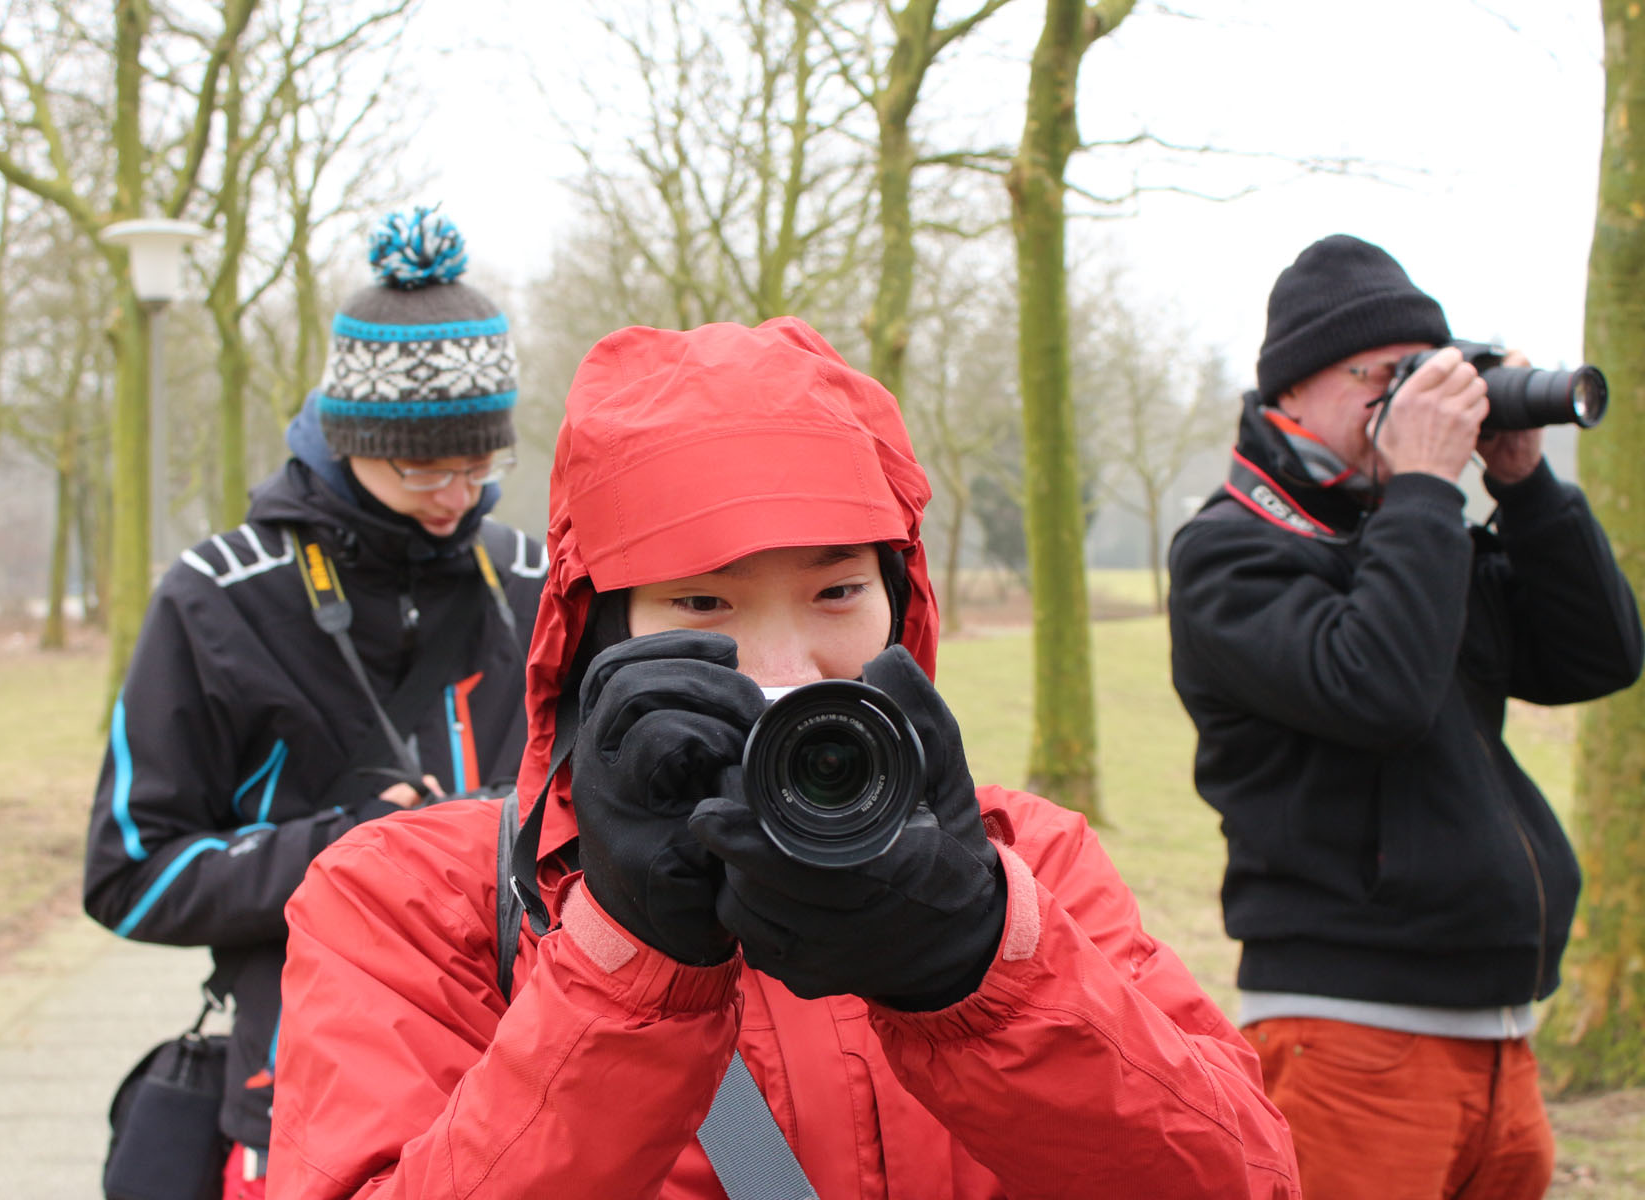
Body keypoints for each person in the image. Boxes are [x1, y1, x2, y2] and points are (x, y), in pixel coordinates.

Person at [267, 316, 1300, 1199]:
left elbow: (1246, 1179)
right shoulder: (409, 902)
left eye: (836, 593)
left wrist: (979, 973)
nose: (781, 671)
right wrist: (623, 966)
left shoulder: (1030, 865)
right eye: (701, 602)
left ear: (901, 603)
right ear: (597, 632)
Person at [1165, 234, 1643, 1200]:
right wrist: (1424, 487)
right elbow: (1377, 691)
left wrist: (1524, 482)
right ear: (1293, 389)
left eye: (1426, 372)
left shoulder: (1412, 532)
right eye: (1383, 375)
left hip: (1502, 1034)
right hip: (1350, 1034)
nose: (1416, 397)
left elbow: (1599, 656)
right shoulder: (1228, 552)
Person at [83, 206, 546, 1200]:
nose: (456, 495)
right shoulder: (216, 599)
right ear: (350, 438)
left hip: (538, 1088)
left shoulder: (536, 581)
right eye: (423, 465)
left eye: (480, 464)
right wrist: (348, 851)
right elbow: (130, 874)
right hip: (305, 1100)